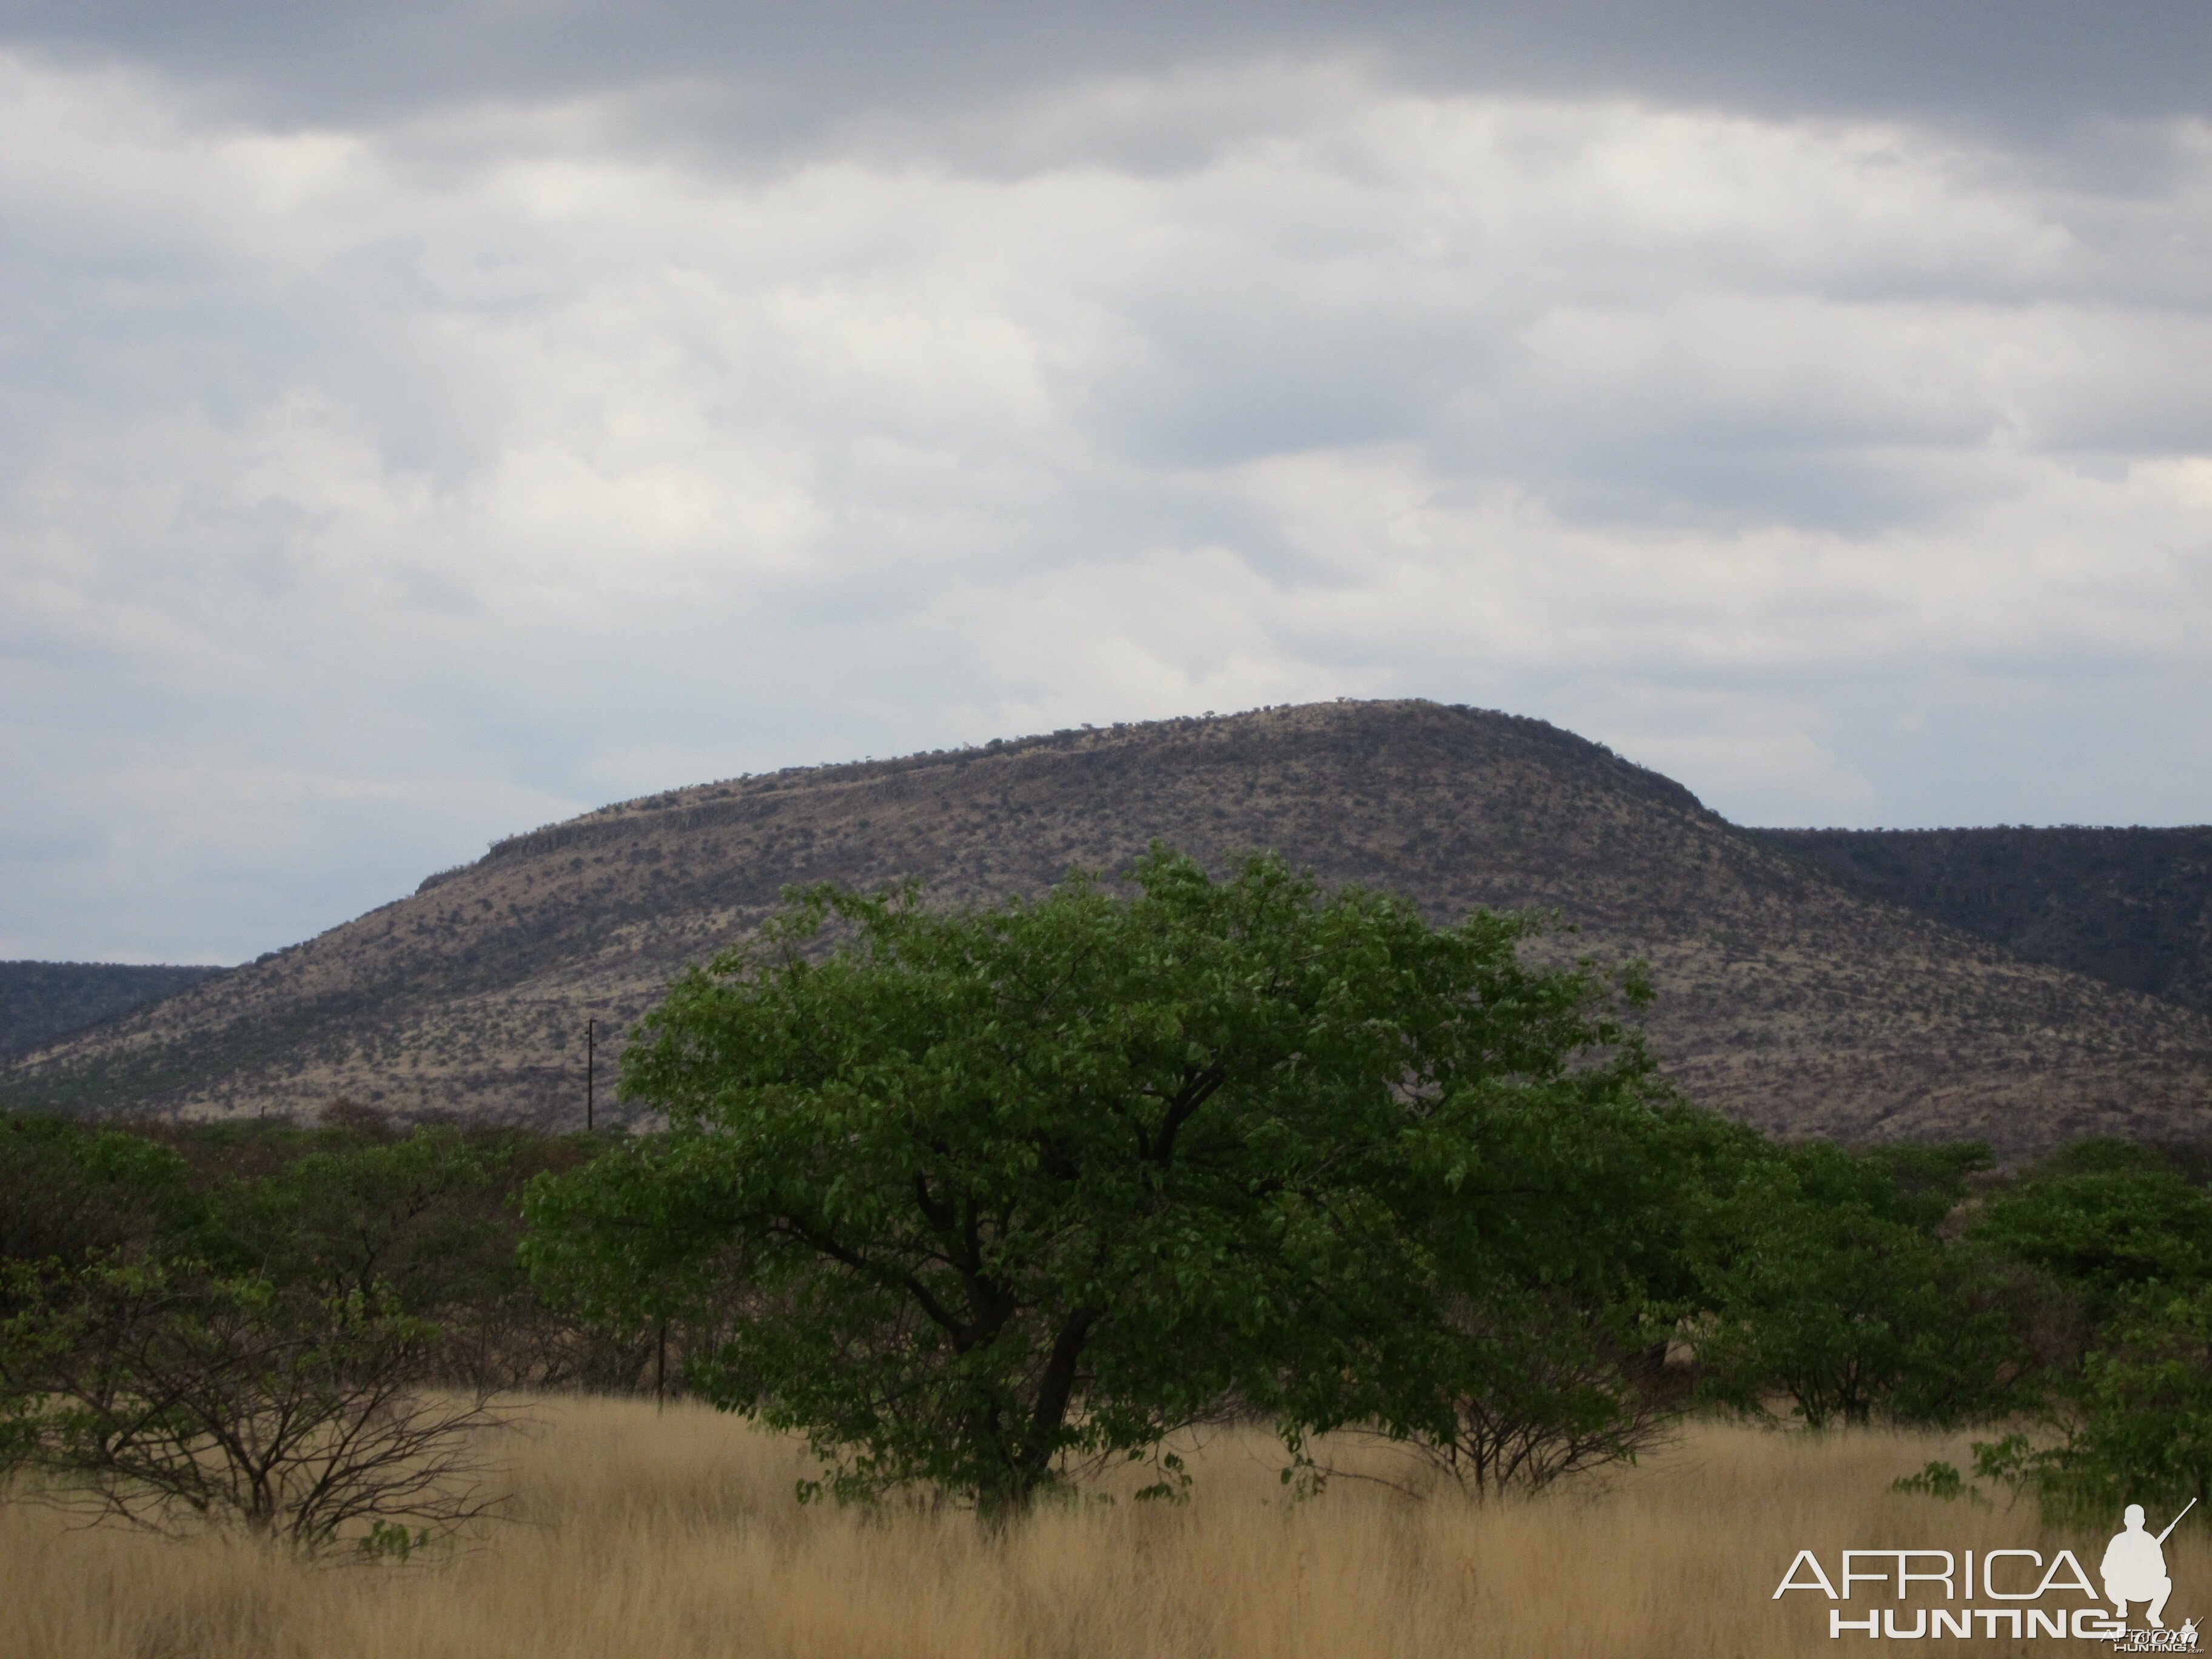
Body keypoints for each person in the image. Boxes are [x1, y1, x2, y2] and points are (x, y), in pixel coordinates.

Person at [2102, 1504, 2174, 1627]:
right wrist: (2121, 1571)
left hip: (2144, 1588)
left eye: (2137, 1519)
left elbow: (2162, 1571)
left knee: (2166, 1583)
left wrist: (2146, 1568)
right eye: (2131, 1519)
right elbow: (2105, 1570)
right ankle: (2121, 1605)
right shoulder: (2117, 1541)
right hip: (2122, 1588)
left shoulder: (2151, 1541)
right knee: (2108, 1583)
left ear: (2143, 1521)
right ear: (2125, 1521)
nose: (2134, 1523)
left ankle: (2153, 1615)